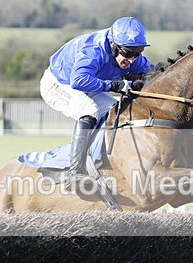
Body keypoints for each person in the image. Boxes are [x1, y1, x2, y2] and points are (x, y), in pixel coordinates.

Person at [40, 16, 153, 184]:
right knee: (89, 110)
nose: (132, 60)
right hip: (59, 83)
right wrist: (115, 85)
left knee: (117, 111)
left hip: (88, 84)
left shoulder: (131, 57)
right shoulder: (94, 49)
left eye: (138, 53)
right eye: (128, 53)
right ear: (114, 45)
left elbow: (152, 72)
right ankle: (75, 172)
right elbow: (78, 81)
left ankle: (99, 160)